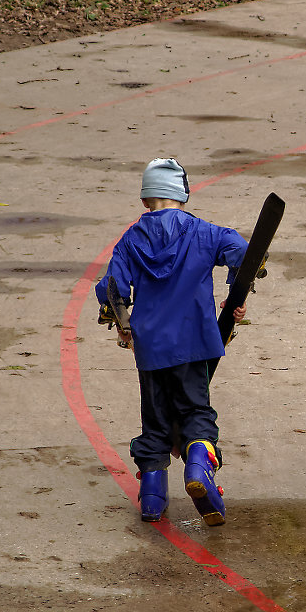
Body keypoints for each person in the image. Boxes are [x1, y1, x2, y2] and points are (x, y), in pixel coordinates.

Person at [95, 158, 249, 526]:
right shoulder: (204, 232)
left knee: (156, 418)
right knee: (197, 412)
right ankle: (198, 468)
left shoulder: (131, 238)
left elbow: (112, 287)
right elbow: (244, 252)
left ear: (146, 199)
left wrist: (123, 324)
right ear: (182, 194)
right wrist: (236, 293)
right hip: (195, 341)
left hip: (150, 347)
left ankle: (151, 499)